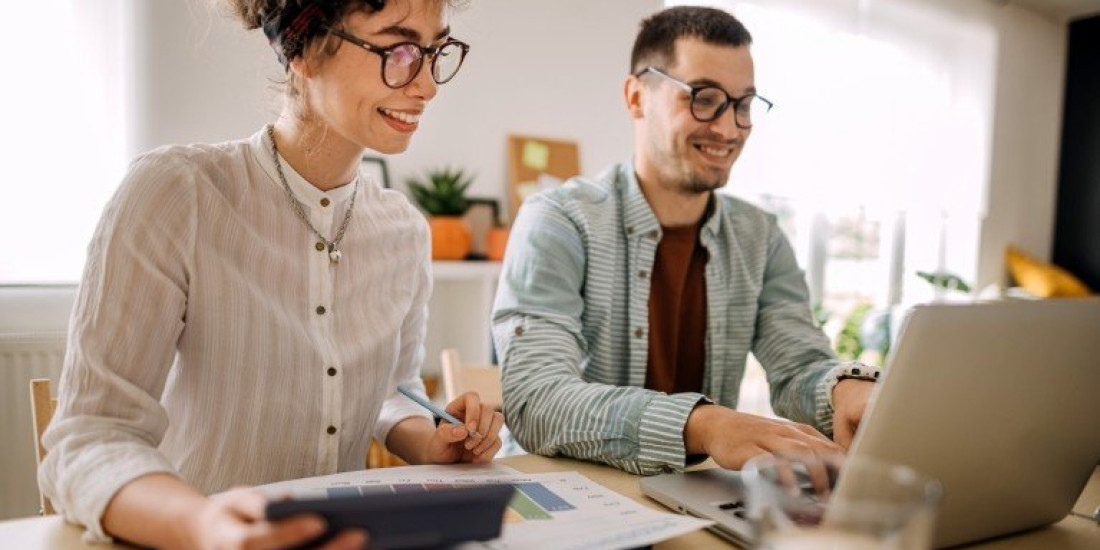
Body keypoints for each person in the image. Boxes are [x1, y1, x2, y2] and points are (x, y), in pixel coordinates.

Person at [39, 1, 504, 549]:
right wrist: (203, 526)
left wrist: (430, 441)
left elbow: (389, 392)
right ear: (305, 52)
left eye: (434, 51)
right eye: (398, 49)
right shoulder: (176, 194)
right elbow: (91, 439)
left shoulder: (403, 229)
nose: (427, 86)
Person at [491, 6, 880, 477]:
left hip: (691, 498)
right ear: (636, 97)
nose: (728, 127)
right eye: (703, 97)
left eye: (742, 104)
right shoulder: (557, 220)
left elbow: (799, 363)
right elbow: (537, 399)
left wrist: (847, 389)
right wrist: (705, 425)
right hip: (569, 501)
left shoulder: (760, 236)